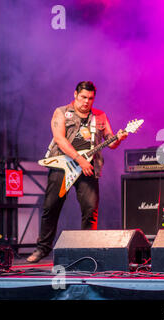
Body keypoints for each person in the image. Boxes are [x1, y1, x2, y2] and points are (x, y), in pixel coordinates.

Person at [27, 81, 128, 263]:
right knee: (51, 207)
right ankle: (42, 249)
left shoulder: (100, 116)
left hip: (89, 168)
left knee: (91, 210)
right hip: (64, 165)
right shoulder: (61, 112)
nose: (86, 102)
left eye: (90, 98)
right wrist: (80, 160)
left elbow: (111, 143)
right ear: (75, 95)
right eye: (83, 97)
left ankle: (87, 250)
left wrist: (119, 139)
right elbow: (60, 139)